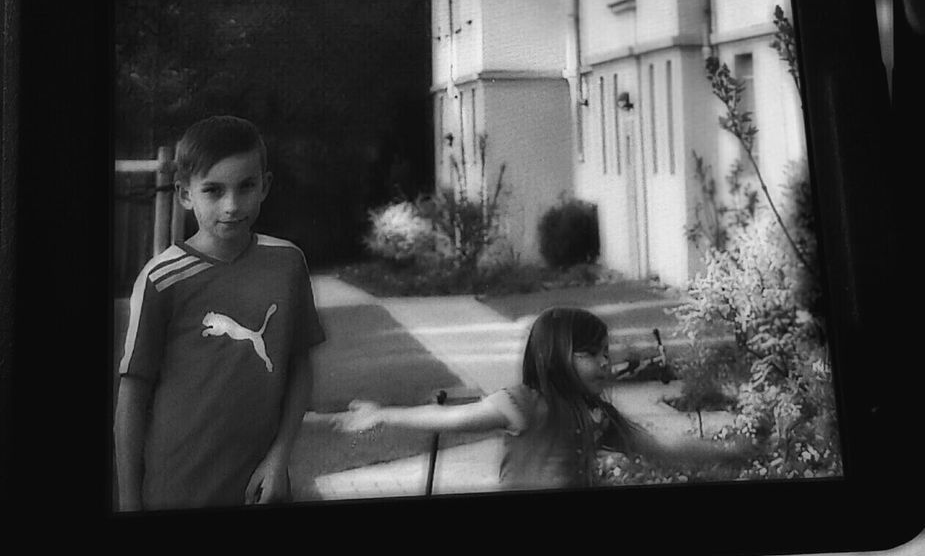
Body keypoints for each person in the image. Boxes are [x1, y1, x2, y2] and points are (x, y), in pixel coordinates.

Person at [114, 115, 326, 511]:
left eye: (246, 187)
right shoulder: (161, 279)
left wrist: (280, 457)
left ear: (265, 185)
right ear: (184, 194)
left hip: (259, 487)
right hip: (175, 489)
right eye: (213, 190)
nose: (232, 206)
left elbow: (299, 365)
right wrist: (128, 504)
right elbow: (132, 394)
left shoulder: (287, 263)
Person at [332, 306, 754, 491]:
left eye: (606, 353)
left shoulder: (596, 416)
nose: (605, 363)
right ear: (554, 355)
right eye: (591, 353)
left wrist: (728, 450)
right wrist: (384, 414)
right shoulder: (524, 404)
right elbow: (451, 419)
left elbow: (658, 446)